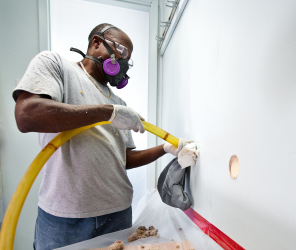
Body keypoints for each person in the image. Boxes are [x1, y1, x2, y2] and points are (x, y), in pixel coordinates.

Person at [13, 23, 191, 250]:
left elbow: (123, 159)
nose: (124, 61)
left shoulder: (120, 104)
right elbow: (27, 115)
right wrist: (109, 113)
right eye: (121, 51)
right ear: (96, 43)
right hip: (65, 217)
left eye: (129, 58)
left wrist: (165, 149)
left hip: (117, 214)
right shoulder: (57, 66)